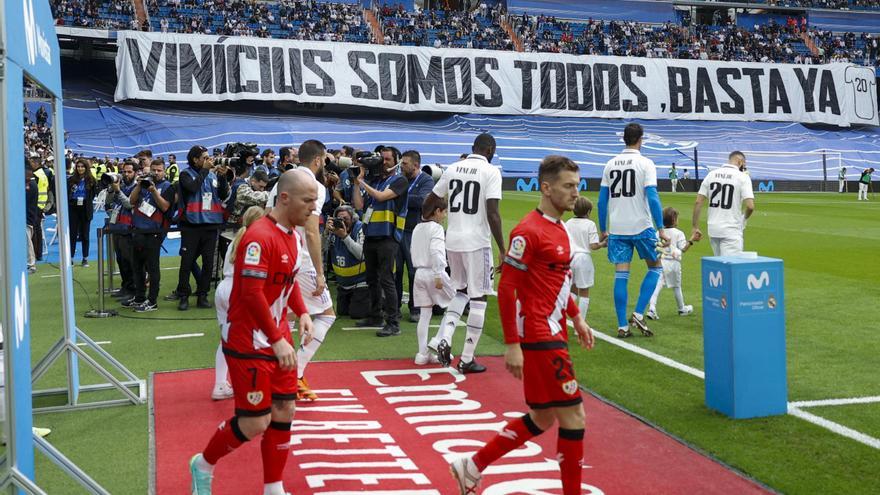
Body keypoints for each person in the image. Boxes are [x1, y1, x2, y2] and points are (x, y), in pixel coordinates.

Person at [450, 155, 594, 495]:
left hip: (551, 329)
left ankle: (472, 466)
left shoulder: (559, 227)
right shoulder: (528, 231)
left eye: (577, 185)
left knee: (543, 417)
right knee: (574, 417)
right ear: (546, 188)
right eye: (568, 186)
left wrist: (576, 317)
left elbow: (556, 281)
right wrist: (512, 344)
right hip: (541, 334)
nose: (575, 192)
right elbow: (507, 288)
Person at [188, 170, 316, 495]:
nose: (313, 207)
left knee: (285, 409)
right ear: (284, 198)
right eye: (307, 200)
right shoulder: (259, 237)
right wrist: (276, 339)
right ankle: (203, 464)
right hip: (248, 340)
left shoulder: (294, 235)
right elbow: (251, 293)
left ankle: (273, 488)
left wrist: (302, 312)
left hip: (276, 335)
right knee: (255, 422)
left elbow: (288, 280)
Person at [426, 133, 504, 373]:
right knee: (479, 297)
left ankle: (444, 337)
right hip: (476, 242)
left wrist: (425, 216)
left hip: (453, 240)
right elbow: (493, 212)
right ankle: (467, 358)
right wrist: (503, 248)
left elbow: (433, 198)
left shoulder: (452, 168)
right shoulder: (491, 171)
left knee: (460, 292)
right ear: (490, 151)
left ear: (473, 147)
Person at [267, 140, 336, 401]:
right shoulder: (313, 186)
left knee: (286, 316)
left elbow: (267, 215)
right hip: (300, 259)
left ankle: (279, 373)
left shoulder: (282, 181)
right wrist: (319, 272)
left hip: (277, 254)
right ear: (318, 160)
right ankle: (295, 374)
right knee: (326, 315)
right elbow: (311, 231)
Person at [598, 123, 668, 339]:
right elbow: (653, 197)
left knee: (621, 275)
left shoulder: (610, 164)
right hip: (641, 226)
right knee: (656, 268)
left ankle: (622, 326)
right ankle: (638, 313)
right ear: (640, 140)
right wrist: (661, 228)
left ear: (624, 139)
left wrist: (603, 229)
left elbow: (602, 201)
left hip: (618, 228)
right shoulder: (646, 163)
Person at [351, 146, 409, 337]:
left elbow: (382, 197)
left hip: (388, 237)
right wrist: (357, 183)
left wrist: (362, 182)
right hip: (371, 235)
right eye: (381, 159)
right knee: (371, 279)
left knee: (386, 280)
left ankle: (393, 322)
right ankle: (375, 315)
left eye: (387, 160)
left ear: (396, 162)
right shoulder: (375, 181)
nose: (383, 163)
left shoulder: (399, 180)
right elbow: (358, 205)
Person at [211, 205, 265, 400]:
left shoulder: (236, 238)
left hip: (223, 288)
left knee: (226, 339)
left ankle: (220, 383)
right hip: (239, 289)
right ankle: (250, 382)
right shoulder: (255, 241)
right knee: (252, 339)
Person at [174, 145, 229, 311]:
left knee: (208, 262)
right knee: (187, 261)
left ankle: (202, 295)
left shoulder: (212, 175)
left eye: (208, 157)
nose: (208, 160)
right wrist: (205, 170)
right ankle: (183, 296)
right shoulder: (185, 174)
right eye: (204, 158)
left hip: (211, 224)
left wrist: (223, 178)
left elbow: (222, 195)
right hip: (191, 225)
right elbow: (192, 188)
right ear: (195, 159)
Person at [127, 159, 175, 312]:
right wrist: (139, 185)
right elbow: (131, 201)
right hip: (138, 229)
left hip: (154, 232)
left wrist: (154, 191)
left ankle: (152, 301)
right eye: (153, 170)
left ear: (164, 171)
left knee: (153, 268)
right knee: (137, 266)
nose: (156, 173)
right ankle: (139, 296)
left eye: (159, 170)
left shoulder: (167, 187)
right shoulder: (144, 183)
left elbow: (165, 207)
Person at [411, 195, 453, 365]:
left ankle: (422, 354)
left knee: (425, 314)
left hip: (419, 273)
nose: (445, 216)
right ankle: (438, 340)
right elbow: (437, 251)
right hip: (433, 271)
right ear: (437, 211)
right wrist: (438, 274)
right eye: (444, 212)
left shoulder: (417, 227)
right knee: (457, 303)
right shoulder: (436, 228)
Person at [691, 151, 755, 256]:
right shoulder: (743, 177)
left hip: (713, 229)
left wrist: (695, 227)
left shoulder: (711, 174)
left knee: (719, 264)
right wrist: (743, 219)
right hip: (732, 230)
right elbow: (750, 206)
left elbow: (698, 202)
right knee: (731, 265)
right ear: (740, 162)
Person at [396, 150, 435, 323]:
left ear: (416, 165)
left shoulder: (426, 180)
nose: (401, 166)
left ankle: (415, 308)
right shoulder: (400, 178)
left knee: (414, 273)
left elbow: (422, 201)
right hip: (398, 230)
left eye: (405, 164)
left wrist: (398, 195)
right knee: (396, 271)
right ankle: (395, 307)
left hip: (415, 232)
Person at [647, 207, 697, 320]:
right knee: (676, 286)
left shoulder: (659, 233)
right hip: (674, 264)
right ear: (674, 220)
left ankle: (652, 308)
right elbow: (683, 248)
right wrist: (691, 240)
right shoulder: (679, 233)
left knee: (657, 285)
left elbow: (655, 246)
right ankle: (681, 308)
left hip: (661, 262)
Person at [565, 197, 605, 322]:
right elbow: (593, 245)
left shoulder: (568, 223)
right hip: (583, 259)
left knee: (572, 289)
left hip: (570, 258)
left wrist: (599, 240)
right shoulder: (590, 224)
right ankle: (580, 324)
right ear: (588, 212)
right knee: (584, 291)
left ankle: (562, 316)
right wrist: (604, 243)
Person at [328, 205, 369, 319]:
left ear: (353, 219)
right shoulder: (333, 230)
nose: (342, 222)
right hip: (343, 285)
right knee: (342, 312)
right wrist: (326, 233)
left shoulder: (360, 228)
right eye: (339, 219)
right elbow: (320, 250)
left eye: (345, 219)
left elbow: (361, 254)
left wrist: (345, 237)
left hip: (361, 283)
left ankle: (379, 301)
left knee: (357, 314)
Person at [67, 158, 98, 267]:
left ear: (86, 168)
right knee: (72, 235)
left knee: (85, 235)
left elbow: (93, 194)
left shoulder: (92, 180)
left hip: (85, 209)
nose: (80, 168)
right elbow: (67, 193)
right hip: (73, 208)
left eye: (82, 167)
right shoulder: (71, 180)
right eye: (78, 166)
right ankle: (70, 258)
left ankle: (85, 258)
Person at [25, 164, 39, 274]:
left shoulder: (31, 185)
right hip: (28, 216)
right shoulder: (30, 183)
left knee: (27, 241)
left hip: (27, 217)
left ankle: (31, 264)